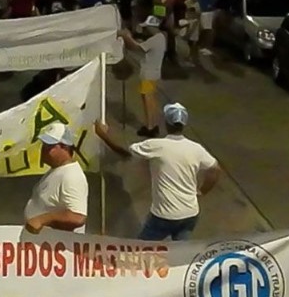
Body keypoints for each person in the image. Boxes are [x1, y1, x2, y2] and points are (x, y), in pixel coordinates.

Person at [22, 121, 89, 297]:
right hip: (48, 256)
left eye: (49, 146)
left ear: (64, 147)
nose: (44, 150)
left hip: (57, 259)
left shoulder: (71, 177)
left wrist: (44, 219)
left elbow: (77, 216)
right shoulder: (58, 172)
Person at [94, 103, 220, 241]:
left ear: (166, 123)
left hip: (164, 215)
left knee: (141, 249)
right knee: (181, 250)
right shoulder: (196, 149)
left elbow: (125, 151)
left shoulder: (156, 146)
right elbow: (214, 169)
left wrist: (103, 135)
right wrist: (202, 191)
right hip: (190, 214)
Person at [122, 19, 167, 137]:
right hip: (155, 73)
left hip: (147, 74)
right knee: (152, 99)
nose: (146, 30)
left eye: (147, 27)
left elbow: (136, 47)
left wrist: (127, 37)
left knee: (147, 100)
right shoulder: (161, 38)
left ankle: (149, 127)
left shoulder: (154, 40)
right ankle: (154, 124)